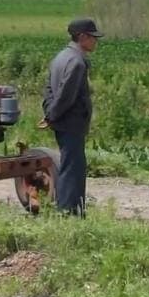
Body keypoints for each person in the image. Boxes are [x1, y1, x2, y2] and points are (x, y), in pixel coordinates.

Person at [41, 18, 103, 216]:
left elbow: (49, 90)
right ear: (82, 37)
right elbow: (66, 95)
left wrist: (49, 113)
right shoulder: (76, 62)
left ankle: (70, 208)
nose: (95, 41)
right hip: (71, 122)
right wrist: (52, 116)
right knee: (73, 168)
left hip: (63, 122)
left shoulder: (60, 57)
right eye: (93, 37)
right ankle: (69, 211)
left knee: (71, 164)